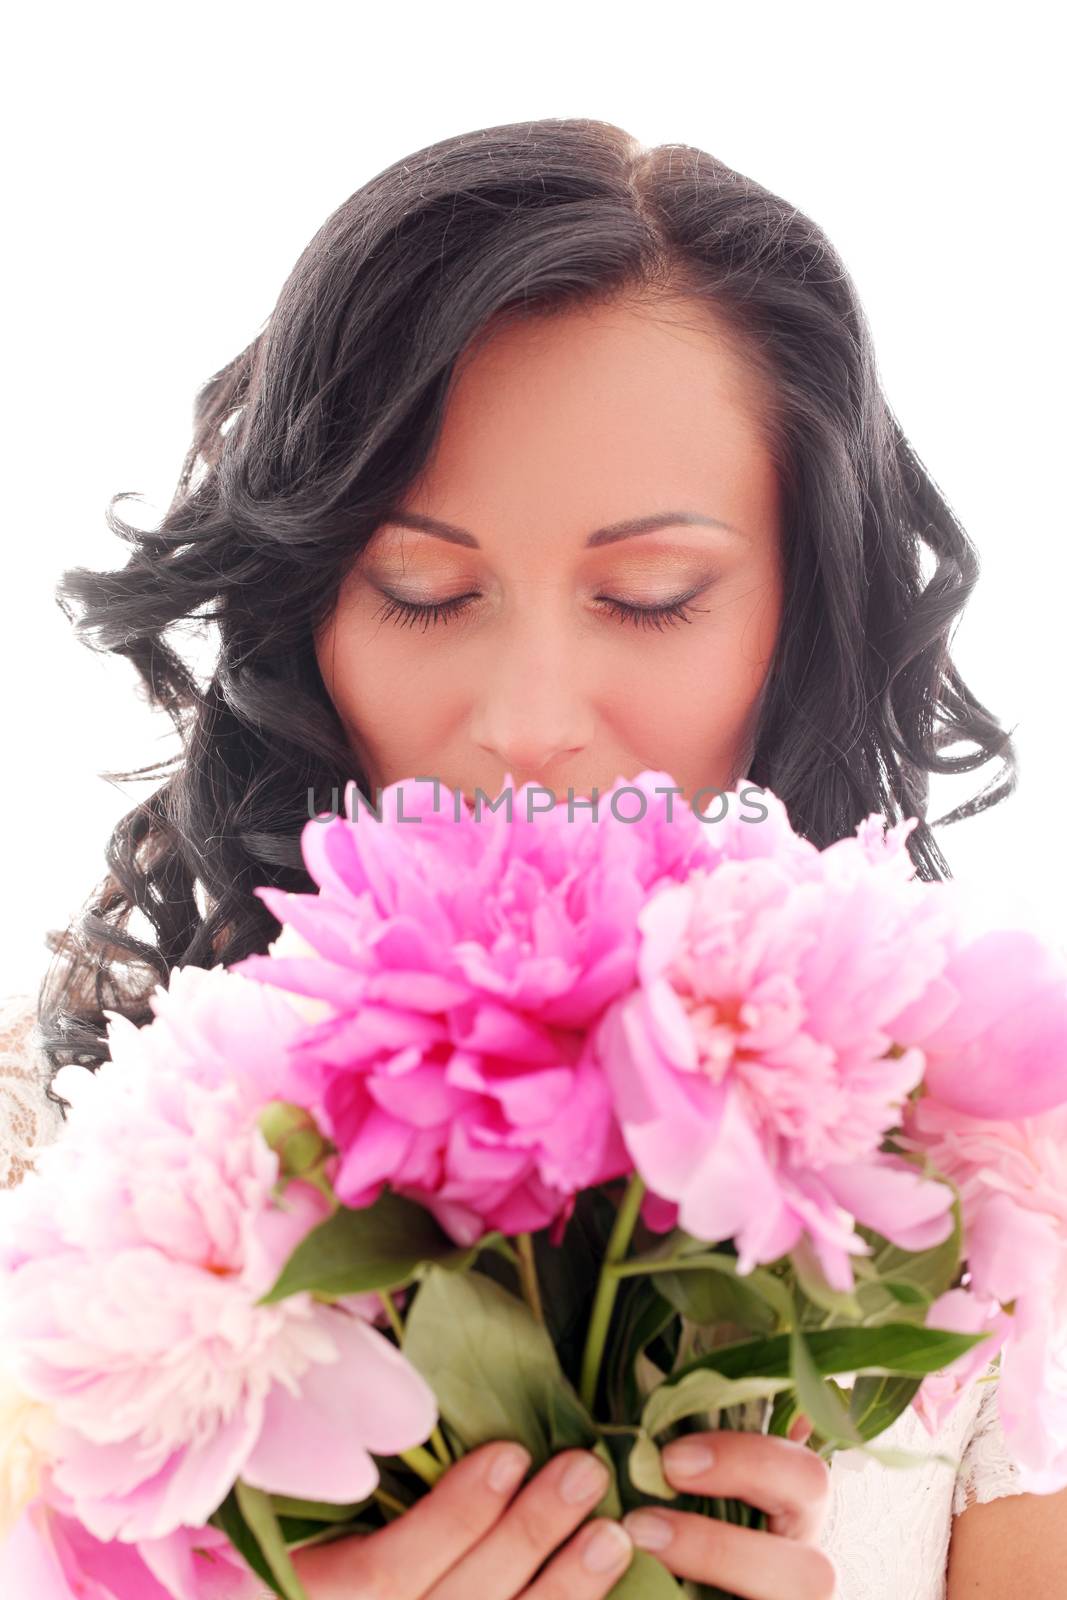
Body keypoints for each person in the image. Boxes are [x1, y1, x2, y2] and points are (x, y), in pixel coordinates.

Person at [4, 116, 1064, 1597]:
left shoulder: (994, 1209)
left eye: (647, 596)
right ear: (309, 612)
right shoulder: (55, 1170)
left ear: (801, 620)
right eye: (426, 593)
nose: (525, 725)